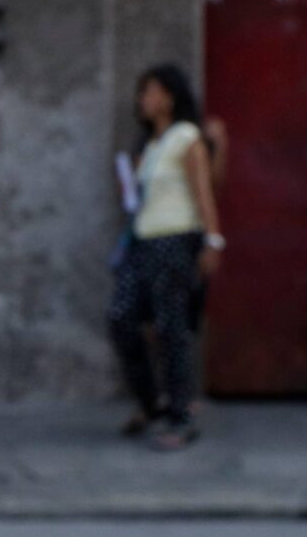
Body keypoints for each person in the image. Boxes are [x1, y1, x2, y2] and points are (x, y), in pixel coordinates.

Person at [108, 65, 224, 450]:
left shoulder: (186, 137)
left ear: (170, 97)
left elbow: (203, 190)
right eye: (142, 92)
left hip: (176, 241)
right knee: (121, 317)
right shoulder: (152, 145)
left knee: (173, 329)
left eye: (151, 91)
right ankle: (152, 402)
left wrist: (214, 240)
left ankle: (181, 416)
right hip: (143, 242)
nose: (144, 99)